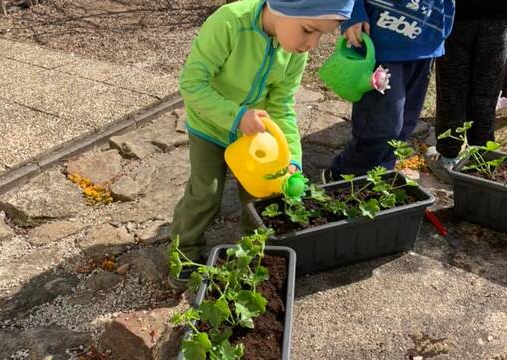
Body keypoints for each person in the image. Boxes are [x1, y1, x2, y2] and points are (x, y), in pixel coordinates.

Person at [170, 0, 355, 284]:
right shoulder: (230, 23)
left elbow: (281, 106)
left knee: (259, 199)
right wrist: (236, 116)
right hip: (210, 126)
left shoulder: (293, 49)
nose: (312, 44)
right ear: (284, 7)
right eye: (308, 30)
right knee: (205, 194)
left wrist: (291, 158)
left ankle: (253, 254)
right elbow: (192, 84)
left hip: (255, 135)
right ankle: (185, 255)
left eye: (321, 35)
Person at [325, 0, 455, 182]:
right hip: (382, 41)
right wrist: (353, 11)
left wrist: (444, 22)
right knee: (380, 127)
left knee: (404, 125)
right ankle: (345, 174)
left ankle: (379, 177)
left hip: (425, 43)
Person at [426, 2, 507, 182]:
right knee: (486, 91)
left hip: (456, 15)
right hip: (496, 16)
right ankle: (483, 159)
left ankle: (448, 157)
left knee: (452, 89)